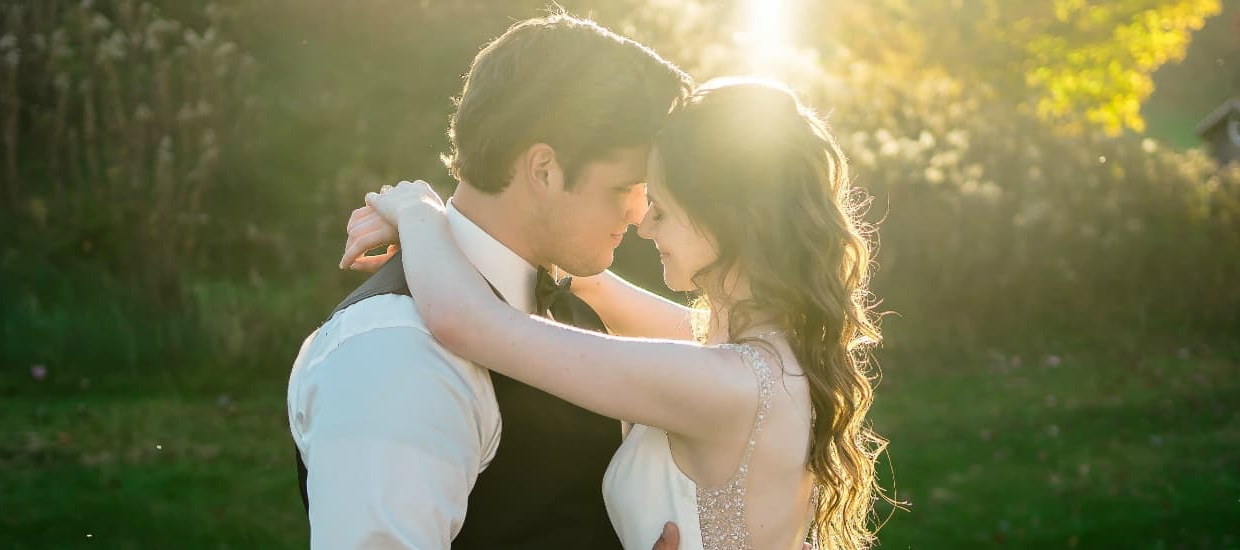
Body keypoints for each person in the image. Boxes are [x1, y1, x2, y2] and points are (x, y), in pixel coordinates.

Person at [346, 77, 888, 549]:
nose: (645, 225)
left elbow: (468, 322)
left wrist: (416, 210)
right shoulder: (762, 355)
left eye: (664, 209)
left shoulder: (724, 386)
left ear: (732, 221)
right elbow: (590, 283)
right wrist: (468, 227)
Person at [285, 13, 690, 549]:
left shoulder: (570, 306)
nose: (641, 214)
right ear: (543, 169)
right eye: (625, 187)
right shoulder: (395, 352)